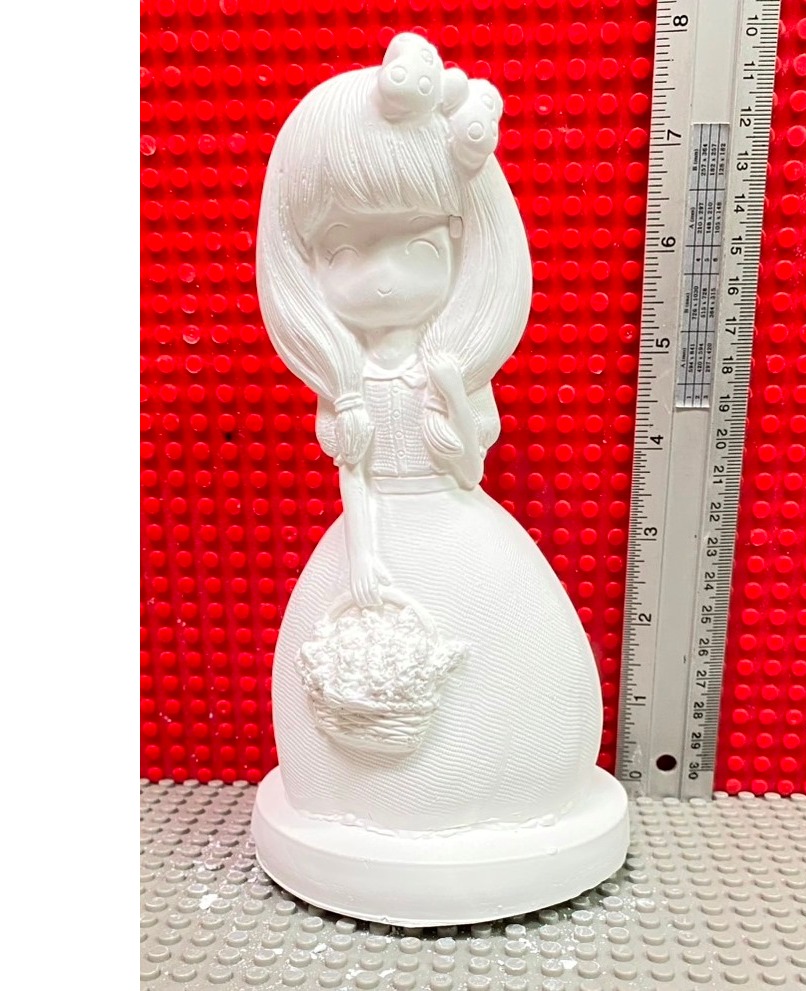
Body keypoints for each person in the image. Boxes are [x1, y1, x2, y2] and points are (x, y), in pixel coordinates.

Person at [256, 33, 606, 834]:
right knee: (340, 678)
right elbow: (352, 471)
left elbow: (468, 463)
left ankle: (504, 787)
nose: (382, 277)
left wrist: (449, 392)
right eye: (345, 250)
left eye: (417, 247)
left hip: (453, 524)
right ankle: (366, 801)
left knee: (499, 670)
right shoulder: (346, 382)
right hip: (374, 531)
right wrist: (363, 557)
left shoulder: (451, 366)